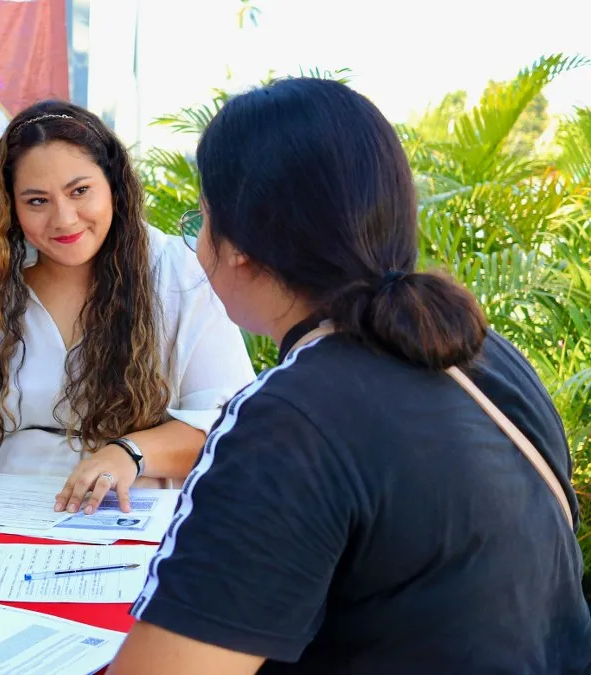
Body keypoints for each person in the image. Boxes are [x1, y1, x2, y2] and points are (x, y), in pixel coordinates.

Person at [111, 78, 591, 674]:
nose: (199, 246)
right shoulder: (485, 354)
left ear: (238, 245)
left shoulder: (289, 420)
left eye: (202, 221)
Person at [0, 100, 254, 515]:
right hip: (1, 508)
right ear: (11, 207)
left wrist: (129, 453)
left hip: (129, 509)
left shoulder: (178, 275)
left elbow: (229, 424)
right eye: (37, 201)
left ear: (113, 185)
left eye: (80, 191)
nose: (63, 220)